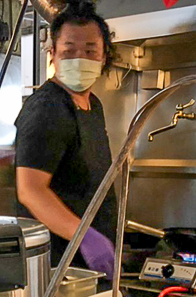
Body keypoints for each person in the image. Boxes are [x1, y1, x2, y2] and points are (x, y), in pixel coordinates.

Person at [14, 0, 118, 278]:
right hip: (57, 267)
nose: (79, 59)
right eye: (69, 51)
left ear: (104, 56)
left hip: (86, 266)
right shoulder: (47, 109)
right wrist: (84, 237)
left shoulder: (92, 105)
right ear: (53, 54)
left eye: (90, 51)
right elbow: (30, 190)